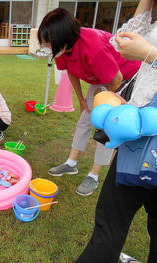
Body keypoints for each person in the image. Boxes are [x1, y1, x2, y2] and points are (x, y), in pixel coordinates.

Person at [77, 0, 157, 261]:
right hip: (134, 136)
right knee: (109, 224)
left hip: (147, 137)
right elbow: (121, 42)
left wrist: (149, 53)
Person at [38, 8, 141, 196]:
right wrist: (81, 100)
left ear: (63, 38)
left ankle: (93, 176)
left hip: (123, 76)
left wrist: (107, 105)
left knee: (107, 127)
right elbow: (70, 70)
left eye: (48, 42)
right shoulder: (64, 50)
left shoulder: (93, 47)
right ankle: (71, 164)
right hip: (103, 77)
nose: (46, 46)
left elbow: (116, 78)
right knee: (85, 118)